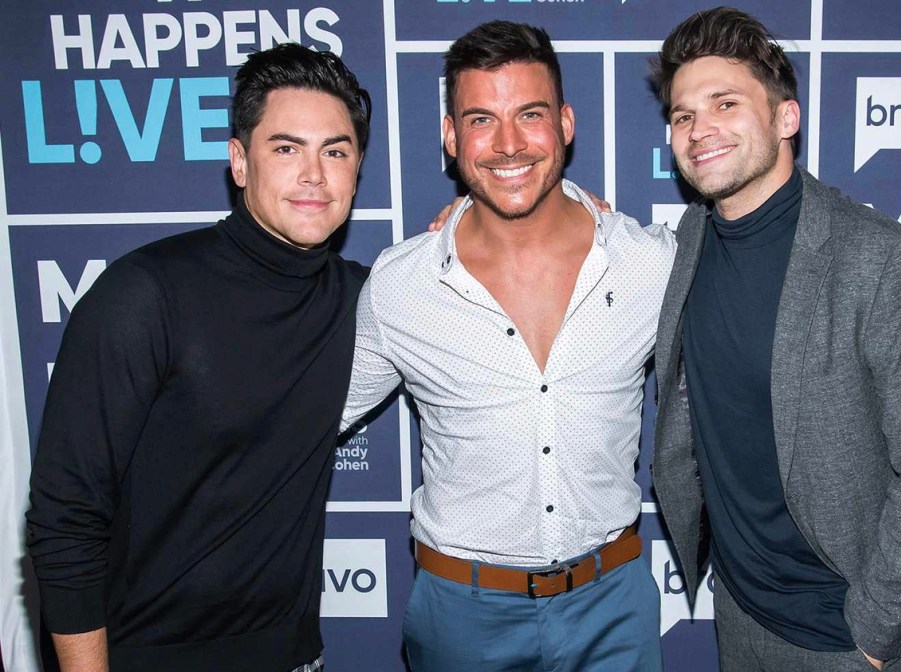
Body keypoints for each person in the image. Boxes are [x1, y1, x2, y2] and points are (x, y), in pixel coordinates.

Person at [649, 7, 901, 672]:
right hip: (741, 617)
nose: (699, 129)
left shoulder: (882, 261)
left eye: (725, 103)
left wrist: (873, 632)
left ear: (786, 118)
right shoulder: (685, 246)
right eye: (684, 115)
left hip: (851, 639)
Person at [25, 43, 370, 672]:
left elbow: (477, 276)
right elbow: (66, 516)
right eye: (286, 148)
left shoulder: (368, 301)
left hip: (296, 658)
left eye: (336, 151)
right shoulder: (145, 294)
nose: (314, 175)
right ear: (240, 162)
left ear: (356, 169)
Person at [341, 20, 674, 672]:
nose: (510, 144)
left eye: (530, 114)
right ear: (450, 138)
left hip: (614, 607)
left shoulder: (650, 263)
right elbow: (304, 420)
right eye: (481, 120)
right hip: (462, 619)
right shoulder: (402, 285)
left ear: (566, 124)